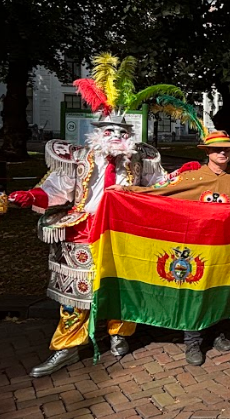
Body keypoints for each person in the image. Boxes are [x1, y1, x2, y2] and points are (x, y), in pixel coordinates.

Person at [9, 113, 167, 377]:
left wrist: (185, 179)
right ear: (98, 133)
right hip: (84, 230)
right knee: (76, 293)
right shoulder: (79, 157)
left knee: (123, 286)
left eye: (122, 132)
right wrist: (32, 196)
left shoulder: (141, 159)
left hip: (124, 231)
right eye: (110, 131)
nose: (116, 136)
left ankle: (119, 332)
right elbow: (56, 189)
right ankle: (68, 345)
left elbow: (161, 187)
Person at [120, 129, 230, 365]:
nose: (223, 153)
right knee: (196, 293)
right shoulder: (192, 177)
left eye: (227, 149)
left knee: (221, 290)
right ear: (208, 152)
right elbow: (161, 191)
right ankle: (193, 340)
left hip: (227, 248)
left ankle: (216, 331)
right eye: (217, 149)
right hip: (198, 247)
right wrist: (126, 191)